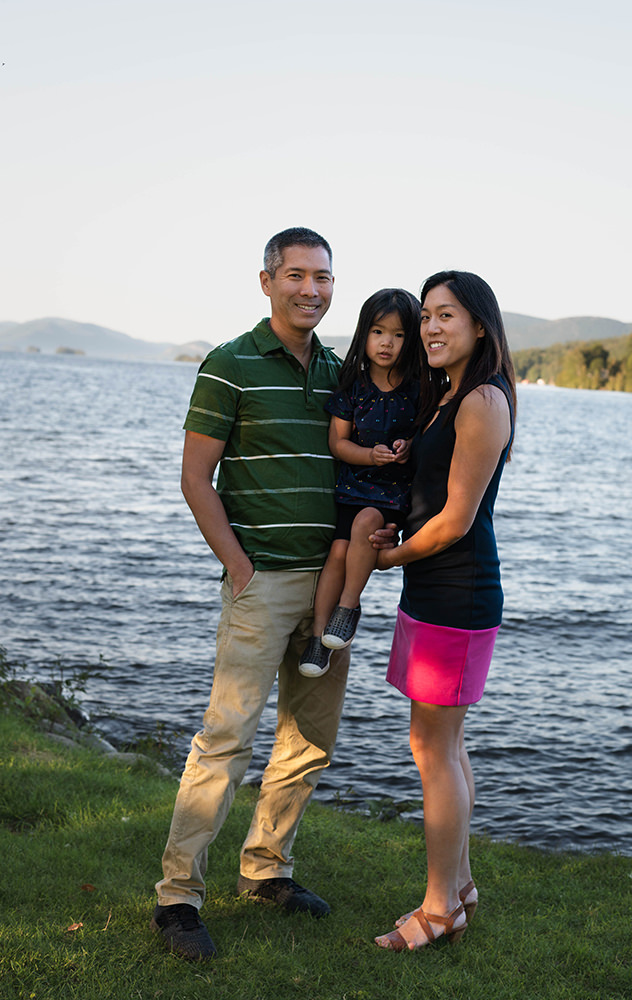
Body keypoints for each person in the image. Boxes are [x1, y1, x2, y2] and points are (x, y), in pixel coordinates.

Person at [151, 227, 351, 962]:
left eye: (323, 277)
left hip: (331, 589)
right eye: (296, 274)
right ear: (265, 281)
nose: (311, 289)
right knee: (226, 739)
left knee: (308, 740)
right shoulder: (228, 365)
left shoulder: (341, 371)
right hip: (261, 579)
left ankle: (267, 870)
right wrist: (237, 566)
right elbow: (195, 479)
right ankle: (177, 898)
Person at [370, 270, 516, 952]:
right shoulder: (446, 397)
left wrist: (387, 559)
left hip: (455, 592)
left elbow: (456, 520)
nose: (429, 327)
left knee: (432, 748)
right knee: (442, 745)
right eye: (425, 315)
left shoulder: (482, 399)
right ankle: (458, 887)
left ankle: (436, 910)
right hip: (434, 591)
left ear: (479, 326)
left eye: (445, 316)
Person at [299, 288, 422, 678]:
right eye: (378, 331)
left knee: (368, 523)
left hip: (390, 494)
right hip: (352, 486)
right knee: (336, 554)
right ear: (363, 334)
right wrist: (369, 455)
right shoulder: (354, 385)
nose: (386, 343)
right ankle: (319, 639)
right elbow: (338, 443)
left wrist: (409, 445)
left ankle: (348, 607)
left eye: (399, 334)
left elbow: (431, 434)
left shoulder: (421, 389)